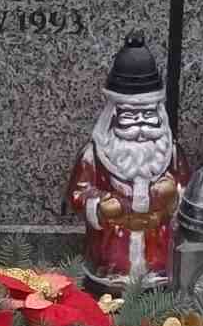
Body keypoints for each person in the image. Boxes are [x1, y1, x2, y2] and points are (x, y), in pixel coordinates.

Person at [67, 33, 189, 290]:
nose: (141, 125)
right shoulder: (96, 154)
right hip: (111, 251)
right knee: (108, 291)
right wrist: (100, 204)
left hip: (158, 250)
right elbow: (77, 194)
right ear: (114, 116)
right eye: (131, 117)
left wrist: (174, 195)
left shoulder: (170, 152)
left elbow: (188, 189)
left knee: (159, 284)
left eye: (148, 115)